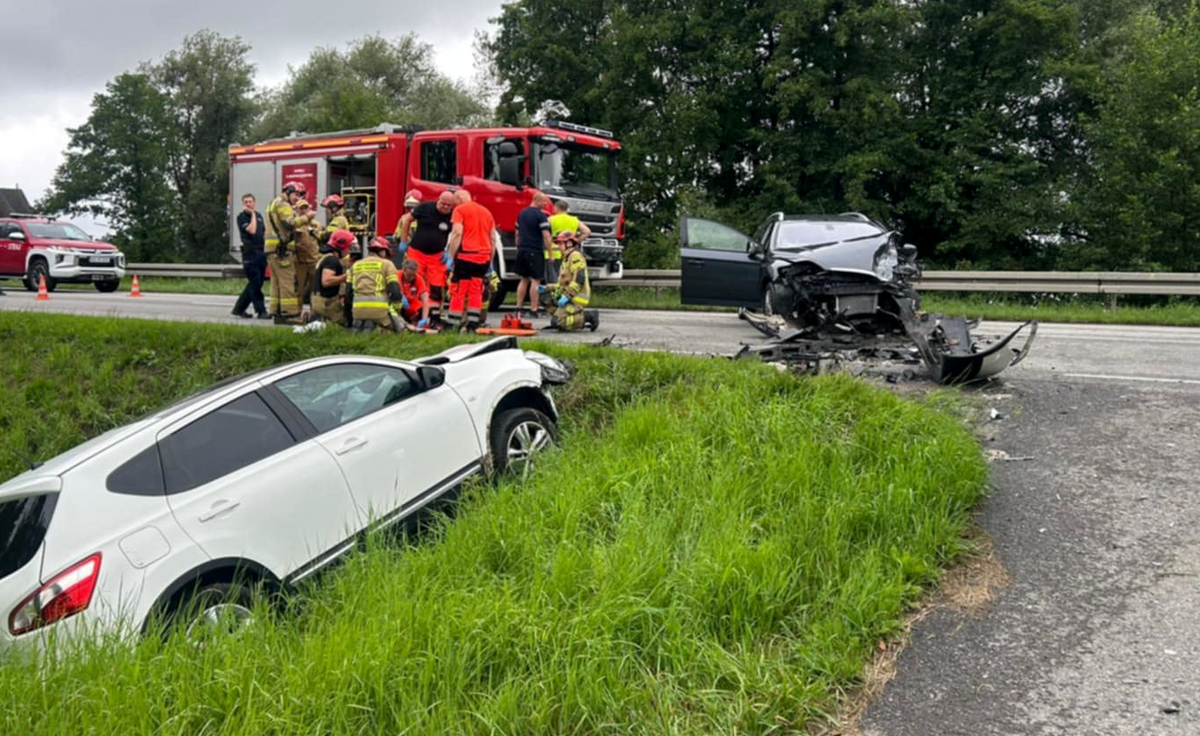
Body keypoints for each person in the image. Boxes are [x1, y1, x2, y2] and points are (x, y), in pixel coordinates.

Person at [399, 190, 455, 327]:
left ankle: (434, 317)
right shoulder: (424, 208)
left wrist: (449, 251)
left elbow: (456, 233)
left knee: (437, 287)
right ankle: (412, 314)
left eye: (448, 205)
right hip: (417, 253)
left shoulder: (453, 215)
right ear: (438, 199)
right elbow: (407, 220)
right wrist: (403, 240)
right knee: (413, 283)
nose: (445, 207)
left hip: (437, 256)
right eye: (443, 203)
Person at [446, 189, 496, 332]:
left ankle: (453, 324)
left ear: (459, 199)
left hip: (466, 257)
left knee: (458, 290)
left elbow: (457, 233)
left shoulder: (460, 210)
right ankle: (473, 324)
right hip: (483, 258)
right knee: (476, 291)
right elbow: (492, 238)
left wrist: (450, 256)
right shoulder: (486, 212)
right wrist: (490, 260)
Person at [542, 230, 599, 331]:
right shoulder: (566, 258)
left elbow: (579, 280)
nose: (558, 247)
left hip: (576, 297)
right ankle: (561, 315)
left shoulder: (575, 256)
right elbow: (563, 284)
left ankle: (587, 316)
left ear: (569, 243)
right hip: (568, 295)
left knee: (558, 322)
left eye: (560, 244)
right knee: (544, 296)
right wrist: (547, 288)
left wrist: (567, 296)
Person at [265, 181, 304, 322]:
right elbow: (289, 223)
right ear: (288, 192)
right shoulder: (283, 204)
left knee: (277, 283)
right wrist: (306, 218)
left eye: (300, 195)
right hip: (282, 250)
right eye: (296, 194)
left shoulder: (273, 203)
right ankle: (290, 315)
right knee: (288, 281)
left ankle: (277, 313)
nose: (297, 198)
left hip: (273, 250)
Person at [349, 236, 404, 331]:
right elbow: (395, 290)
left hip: (357, 311)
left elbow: (348, 292)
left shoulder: (356, 265)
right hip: (379, 311)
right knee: (397, 328)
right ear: (382, 251)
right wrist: (397, 308)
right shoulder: (387, 264)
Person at [514, 193, 553, 318]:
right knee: (536, 280)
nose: (545, 205)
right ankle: (534, 309)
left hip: (522, 249)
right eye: (544, 202)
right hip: (535, 250)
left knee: (523, 279)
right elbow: (546, 235)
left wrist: (518, 247)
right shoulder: (540, 215)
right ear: (537, 200)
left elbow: (517, 233)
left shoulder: (521, 213)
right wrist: (551, 252)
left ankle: (518, 308)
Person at [232, 193, 269, 319]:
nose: (248, 204)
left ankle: (239, 308)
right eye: (246, 202)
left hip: (261, 252)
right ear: (243, 204)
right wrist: (252, 214)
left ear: (254, 202)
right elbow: (252, 230)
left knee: (258, 282)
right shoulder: (242, 217)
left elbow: (263, 233)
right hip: (250, 254)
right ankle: (261, 311)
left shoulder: (259, 216)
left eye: (250, 201)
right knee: (255, 282)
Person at [308, 228, 355, 326]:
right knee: (345, 324)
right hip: (326, 303)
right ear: (341, 246)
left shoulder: (326, 257)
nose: (350, 251)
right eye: (349, 247)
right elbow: (326, 281)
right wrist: (348, 275)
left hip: (320, 301)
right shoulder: (332, 260)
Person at [291, 199, 323, 323]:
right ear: (297, 210)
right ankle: (296, 312)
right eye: (301, 208)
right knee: (299, 289)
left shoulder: (316, 225)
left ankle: (314, 313)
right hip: (300, 262)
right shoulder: (295, 225)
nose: (304, 210)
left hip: (314, 260)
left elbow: (321, 239)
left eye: (306, 208)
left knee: (314, 290)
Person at [545, 199, 592, 283]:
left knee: (554, 279)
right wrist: (576, 241)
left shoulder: (551, 219)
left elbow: (545, 234)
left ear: (556, 208)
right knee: (568, 277)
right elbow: (587, 232)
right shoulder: (574, 220)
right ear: (566, 209)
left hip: (554, 253)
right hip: (570, 253)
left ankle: (556, 291)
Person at [397, 258, 431, 329]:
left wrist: (424, 318)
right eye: (408, 275)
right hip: (399, 305)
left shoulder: (418, 279)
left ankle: (418, 323)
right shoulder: (397, 275)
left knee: (424, 309)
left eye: (413, 275)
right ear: (404, 270)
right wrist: (401, 296)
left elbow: (425, 298)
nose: (411, 278)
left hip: (412, 306)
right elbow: (395, 290)